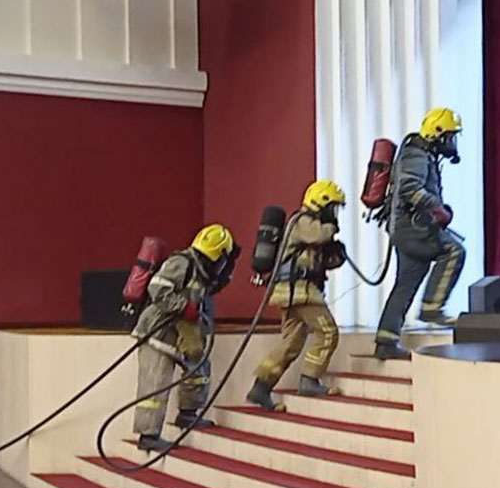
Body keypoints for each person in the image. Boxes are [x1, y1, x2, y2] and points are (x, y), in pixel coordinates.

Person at [132, 223, 239, 452]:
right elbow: (157, 289)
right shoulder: (182, 263)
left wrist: (228, 270)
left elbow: (207, 289)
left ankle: (188, 414)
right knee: (156, 382)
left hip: (183, 331)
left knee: (198, 368)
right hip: (157, 331)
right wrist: (183, 306)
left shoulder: (203, 271)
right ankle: (148, 435)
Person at [246, 180, 348, 410]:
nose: (335, 213)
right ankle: (310, 379)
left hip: (294, 291)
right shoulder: (302, 221)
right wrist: (331, 225)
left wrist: (335, 256)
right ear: (321, 203)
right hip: (301, 292)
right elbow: (319, 235)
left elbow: (314, 259)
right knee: (328, 332)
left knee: (291, 342)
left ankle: (261, 387)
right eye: (332, 207)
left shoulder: (307, 226)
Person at [374, 107, 466, 360]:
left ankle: (385, 342)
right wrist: (437, 209)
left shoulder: (419, 153)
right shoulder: (416, 153)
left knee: (405, 284)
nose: (452, 142)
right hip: (412, 228)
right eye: (450, 136)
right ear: (438, 133)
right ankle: (432, 307)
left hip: (404, 228)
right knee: (454, 251)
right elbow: (410, 188)